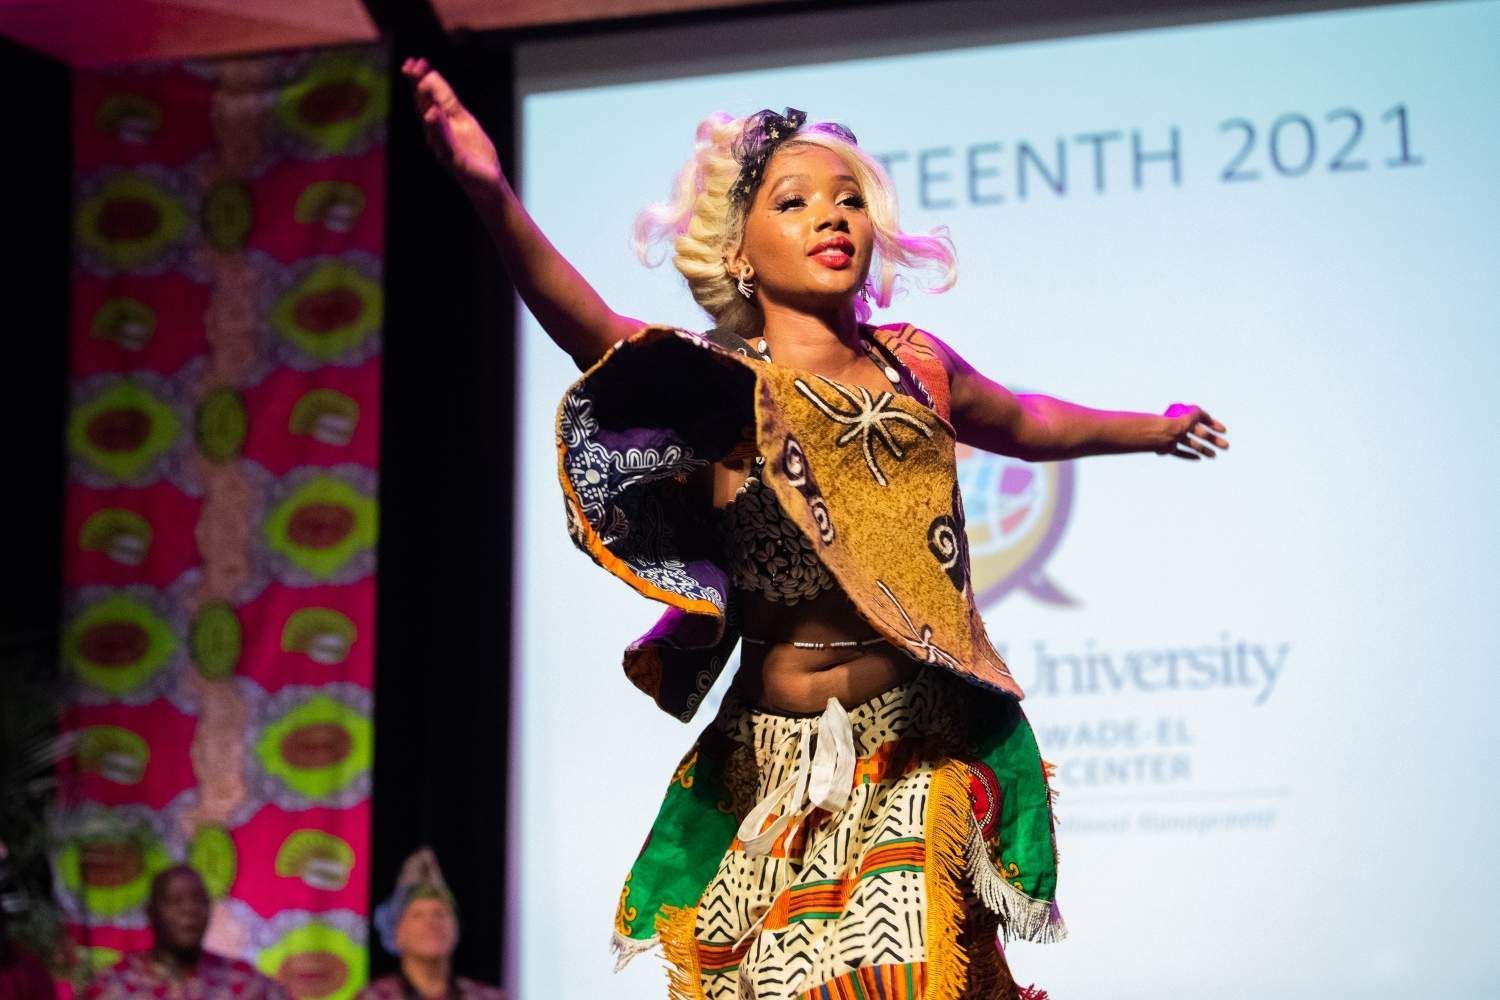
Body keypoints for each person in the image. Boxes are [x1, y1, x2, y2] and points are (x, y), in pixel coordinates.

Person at [403, 58, 1228, 1000]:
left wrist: (1152, 428)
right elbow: (588, 325)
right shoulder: (722, 386)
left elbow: (1028, 421)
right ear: (739, 252)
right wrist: (490, 192)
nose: (831, 218)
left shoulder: (916, 365)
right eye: (793, 203)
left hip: (913, 745)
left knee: (900, 974)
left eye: (849, 201)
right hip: (772, 765)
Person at [85, 865, 287, 1000]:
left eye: (198, 900)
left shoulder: (244, 984)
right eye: (175, 901)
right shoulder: (115, 985)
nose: (189, 909)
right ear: (151, 913)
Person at [358, 848, 502, 1000]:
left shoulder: (487, 997)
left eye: (440, 913)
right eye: (417, 915)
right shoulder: (374, 997)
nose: (431, 922)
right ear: (397, 932)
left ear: (456, 928)